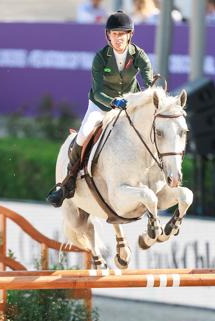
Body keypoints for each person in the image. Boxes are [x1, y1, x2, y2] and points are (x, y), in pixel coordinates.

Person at [46, 10, 154, 208]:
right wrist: (114, 103)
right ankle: (67, 182)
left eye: (122, 34)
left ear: (130, 35)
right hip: (101, 104)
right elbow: (97, 92)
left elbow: (148, 77)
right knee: (84, 134)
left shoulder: (138, 55)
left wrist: (153, 87)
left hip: (129, 105)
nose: (118, 38)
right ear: (108, 35)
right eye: (114, 34)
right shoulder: (100, 58)